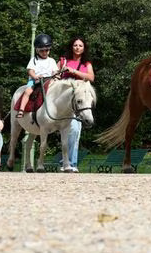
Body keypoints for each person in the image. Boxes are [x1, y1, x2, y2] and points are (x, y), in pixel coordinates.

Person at [58, 36, 95, 172]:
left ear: (84, 48)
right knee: (71, 131)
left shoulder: (87, 64)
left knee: (74, 131)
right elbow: (55, 75)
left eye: (80, 45)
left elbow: (91, 77)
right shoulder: (63, 61)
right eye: (75, 45)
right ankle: (67, 162)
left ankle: (70, 163)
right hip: (63, 101)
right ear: (71, 47)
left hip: (78, 101)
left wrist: (74, 72)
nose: (77, 47)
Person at [16, 34, 59, 117]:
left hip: (48, 80)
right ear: (37, 50)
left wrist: (56, 75)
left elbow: (55, 71)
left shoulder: (52, 61)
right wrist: (35, 76)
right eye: (42, 50)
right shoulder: (34, 60)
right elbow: (30, 70)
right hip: (35, 80)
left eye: (46, 50)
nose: (44, 52)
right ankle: (21, 109)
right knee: (27, 91)